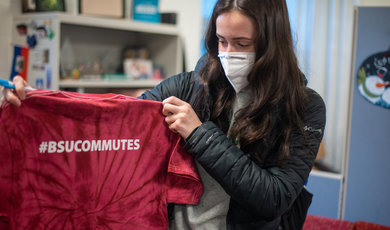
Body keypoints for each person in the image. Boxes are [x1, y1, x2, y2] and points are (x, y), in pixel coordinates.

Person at [2, 0, 326, 229]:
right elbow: (113, 121)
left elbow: (273, 197)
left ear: (273, 44)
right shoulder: (189, 87)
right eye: (222, 41)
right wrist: (38, 104)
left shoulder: (304, 107)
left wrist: (199, 134)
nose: (229, 55)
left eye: (242, 44)